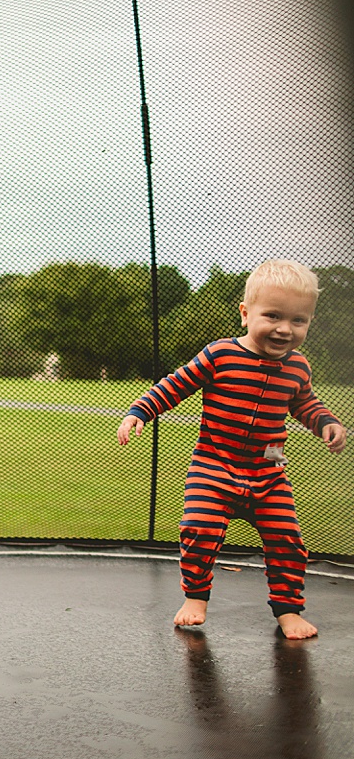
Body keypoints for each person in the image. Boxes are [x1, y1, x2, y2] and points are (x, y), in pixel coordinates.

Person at [117, 259, 346, 640]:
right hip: (214, 466)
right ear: (245, 313)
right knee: (199, 528)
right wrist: (140, 411)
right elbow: (174, 385)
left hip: (269, 472)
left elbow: (306, 404)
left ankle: (288, 609)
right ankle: (195, 598)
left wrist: (326, 423)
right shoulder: (219, 355)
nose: (284, 329)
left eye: (298, 320)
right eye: (272, 315)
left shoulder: (298, 368)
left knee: (287, 539)